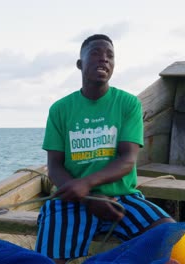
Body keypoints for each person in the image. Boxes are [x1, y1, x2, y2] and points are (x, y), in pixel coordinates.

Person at [35, 34, 174, 263]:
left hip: (122, 197)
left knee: (170, 236)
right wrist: (88, 198)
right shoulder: (60, 109)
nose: (104, 60)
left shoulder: (127, 103)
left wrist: (88, 184)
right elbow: (55, 167)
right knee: (48, 257)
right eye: (96, 54)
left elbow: (128, 159)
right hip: (75, 198)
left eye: (110, 56)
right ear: (80, 64)